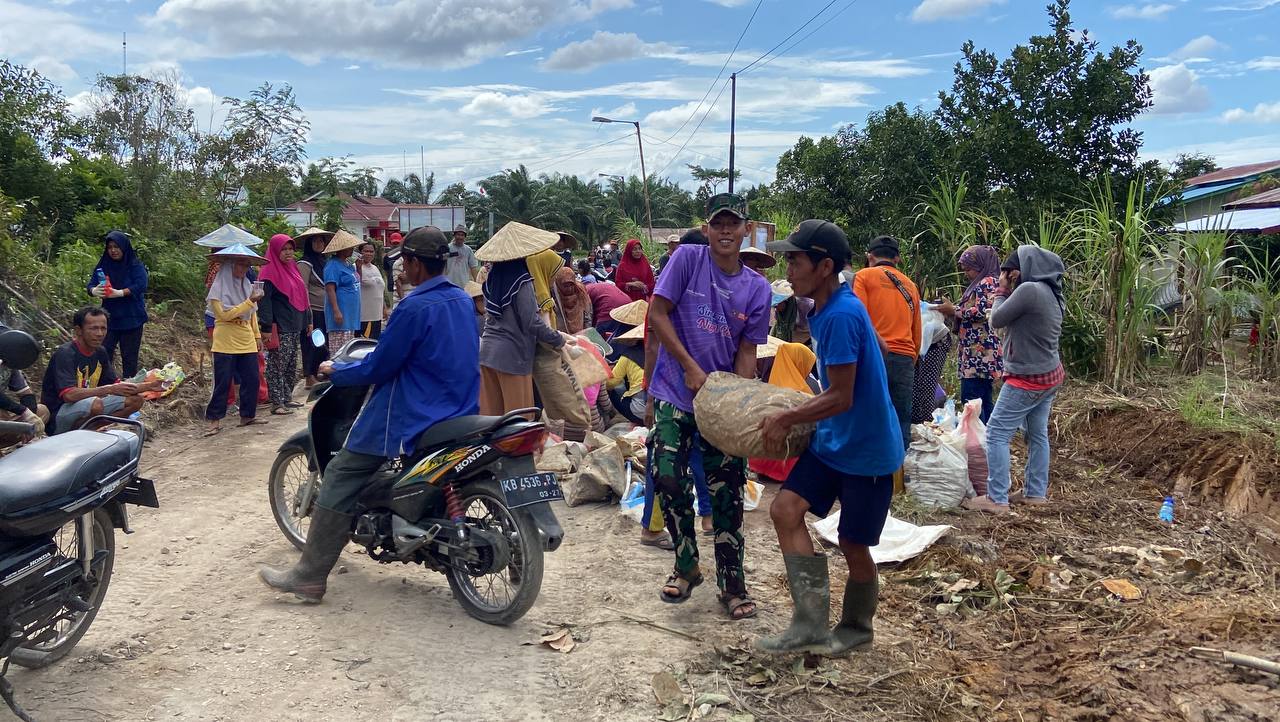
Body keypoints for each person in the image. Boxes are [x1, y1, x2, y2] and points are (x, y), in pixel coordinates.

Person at [259, 226, 480, 604]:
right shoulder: (460, 299)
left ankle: (310, 576)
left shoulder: (413, 306)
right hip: (460, 406)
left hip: (415, 411)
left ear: (411, 262)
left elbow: (380, 367)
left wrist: (336, 371)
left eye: (404, 261)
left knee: (343, 471)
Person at [756, 219, 904, 656]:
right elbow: (879, 346)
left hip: (867, 451)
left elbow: (840, 396)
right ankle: (809, 625)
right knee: (785, 510)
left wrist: (788, 417)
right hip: (834, 441)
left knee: (854, 545)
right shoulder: (833, 305)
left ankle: (857, 628)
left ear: (823, 266)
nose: (789, 267)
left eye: (795, 259)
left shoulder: (840, 314)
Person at [647, 192, 771, 620]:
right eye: (717, 223)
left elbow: (747, 354)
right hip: (674, 391)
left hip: (719, 402)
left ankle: (732, 584)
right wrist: (688, 367)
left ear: (745, 230)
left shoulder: (757, 289)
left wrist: (740, 401)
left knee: (727, 491)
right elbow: (658, 314)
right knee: (668, 477)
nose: (724, 231)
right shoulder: (686, 260)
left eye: (732, 224)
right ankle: (686, 565)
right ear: (706, 228)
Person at [964, 246, 1065, 515]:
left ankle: (996, 499)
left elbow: (996, 319)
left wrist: (1002, 289)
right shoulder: (1052, 292)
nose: (1009, 276)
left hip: (1027, 377)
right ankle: (1035, 493)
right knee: (1037, 434)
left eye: (1011, 271)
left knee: (996, 432)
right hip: (1050, 374)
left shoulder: (1030, 290)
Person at [853, 235, 921, 453]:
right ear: (897, 259)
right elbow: (916, 331)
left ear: (869, 256)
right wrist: (911, 358)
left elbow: (859, 318)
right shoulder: (910, 285)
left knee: (868, 415)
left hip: (874, 355)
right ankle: (898, 478)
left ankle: (869, 475)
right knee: (901, 419)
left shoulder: (863, 276)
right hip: (904, 358)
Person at [41, 307, 153, 435]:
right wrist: (108, 389)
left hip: (90, 406)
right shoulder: (65, 353)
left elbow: (117, 386)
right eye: (93, 328)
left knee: (135, 400)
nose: (100, 333)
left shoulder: (100, 352)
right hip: (59, 414)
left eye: (103, 328)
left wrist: (152, 386)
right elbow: (69, 395)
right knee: (96, 404)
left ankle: (92, 430)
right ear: (79, 331)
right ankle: (73, 435)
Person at [479, 257, 567, 416]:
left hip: (487, 353)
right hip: (512, 357)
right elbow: (531, 322)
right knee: (518, 422)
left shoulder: (491, 279)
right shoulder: (522, 281)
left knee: (492, 419)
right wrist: (559, 339)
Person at [205, 245, 266, 435]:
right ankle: (214, 420)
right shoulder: (217, 289)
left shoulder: (248, 286)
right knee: (223, 381)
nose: (244, 269)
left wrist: (257, 336)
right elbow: (224, 315)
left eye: (247, 265)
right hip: (225, 338)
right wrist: (250, 302)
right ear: (231, 265)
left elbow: (252, 315)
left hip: (245, 336)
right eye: (241, 265)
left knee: (252, 378)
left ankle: (247, 415)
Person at [937, 245, 1003, 423]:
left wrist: (954, 310)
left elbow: (983, 312)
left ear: (981, 265)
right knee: (983, 398)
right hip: (979, 351)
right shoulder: (987, 282)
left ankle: (977, 441)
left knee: (972, 398)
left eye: (969, 269)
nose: (966, 273)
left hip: (980, 353)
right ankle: (988, 438)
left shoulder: (987, 282)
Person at [748, 341, 817, 483]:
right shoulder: (805, 391)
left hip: (759, 461)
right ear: (800, 361)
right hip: (788, 467)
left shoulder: (767, 387)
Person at [257, 234, 308, 416]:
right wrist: (266, 327)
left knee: (291, 363)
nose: (288, 253)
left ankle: (287, 397)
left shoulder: (292, 268)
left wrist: (307, 320)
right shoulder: (268, 272)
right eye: (284, 249)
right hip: (279, 326)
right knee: (277, 365)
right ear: (275, 251)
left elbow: (302, 295)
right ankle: (276, 402)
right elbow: (265, 302)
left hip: (294, 323)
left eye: (290, 249)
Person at [87, 230, 149, 379]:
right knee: (104, 353)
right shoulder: (104, 265)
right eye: (110, 247)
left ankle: (128, 389)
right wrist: (93, 290)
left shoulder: (134, 264)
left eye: (116, 247)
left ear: (124, 247)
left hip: (132, 317)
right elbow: (91, 284)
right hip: (109, 319)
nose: (113, 250)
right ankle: (105, 386)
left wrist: (121, 292)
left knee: (129, 357)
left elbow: (141, 284)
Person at [296, 228, 333, 388]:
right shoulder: (305, 263)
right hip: (312, 310)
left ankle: (319, 371)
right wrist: (307, 310)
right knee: (310, 343)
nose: (319, 244)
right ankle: (309, 375)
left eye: (321, 241)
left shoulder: (324, 262)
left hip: (325, 310)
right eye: (315, 241)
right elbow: (302, 287)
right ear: (309, 244)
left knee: (322, 343)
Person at [0, 326, 47, 441]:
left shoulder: (10, 362)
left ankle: (27, 439)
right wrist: (24, 411)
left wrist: (30, 419)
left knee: (42, 411)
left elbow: (26, 393)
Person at [323, 231, 362, 356]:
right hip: (341, 313)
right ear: (342, 248)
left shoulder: (348, 265)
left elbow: (356, 282)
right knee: (339, 350)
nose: (352, 249)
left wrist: (359, 268)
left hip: (350, 314)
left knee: (349, 347)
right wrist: (336, 310)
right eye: (349, 247)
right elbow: (330, 288)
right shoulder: (332, 265)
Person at [356, 242, 389, 339]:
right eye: (366, 251)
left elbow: (379, 290)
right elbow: (357, 282)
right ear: (360, 252)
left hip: (377, 315)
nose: (369, 254)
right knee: (364, 344)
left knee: (374, 342)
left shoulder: (375, 268)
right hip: (364, 316)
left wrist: (384, 308)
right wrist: (358, 268)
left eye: (371, 251)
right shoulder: (356, 267)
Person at [771, 280, 814, 346]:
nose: (776, 308)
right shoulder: (780, 313)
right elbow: (777, 326)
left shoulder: (807, 306)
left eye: (777, 305)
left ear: (786, 301)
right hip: (793, 339)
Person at [552, 266, 592, 334]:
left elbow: (588, 313)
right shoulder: (555, 296)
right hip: (564, 337)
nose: (569, 289)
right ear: (559, 284)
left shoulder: (580, 292)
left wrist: (586, 333)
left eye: (571, 285)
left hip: (581, 333)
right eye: (565, 286)